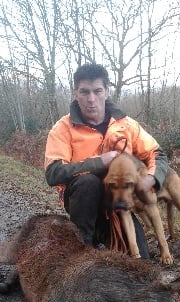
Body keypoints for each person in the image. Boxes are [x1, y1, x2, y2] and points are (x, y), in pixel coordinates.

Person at [44, 63, 168, 257]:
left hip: (118, 202)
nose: (91, 99)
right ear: (75, 92)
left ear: (107, 91)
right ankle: (83, 248)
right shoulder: (62, 128)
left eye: (97, 91)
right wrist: (98, 162)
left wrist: (151, 179)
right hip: (82, 200)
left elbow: (158, 154)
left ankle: (106, 237)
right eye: (84, 92)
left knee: (141, 259)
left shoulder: (126, 124)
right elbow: (53, 173)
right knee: (88, 182)